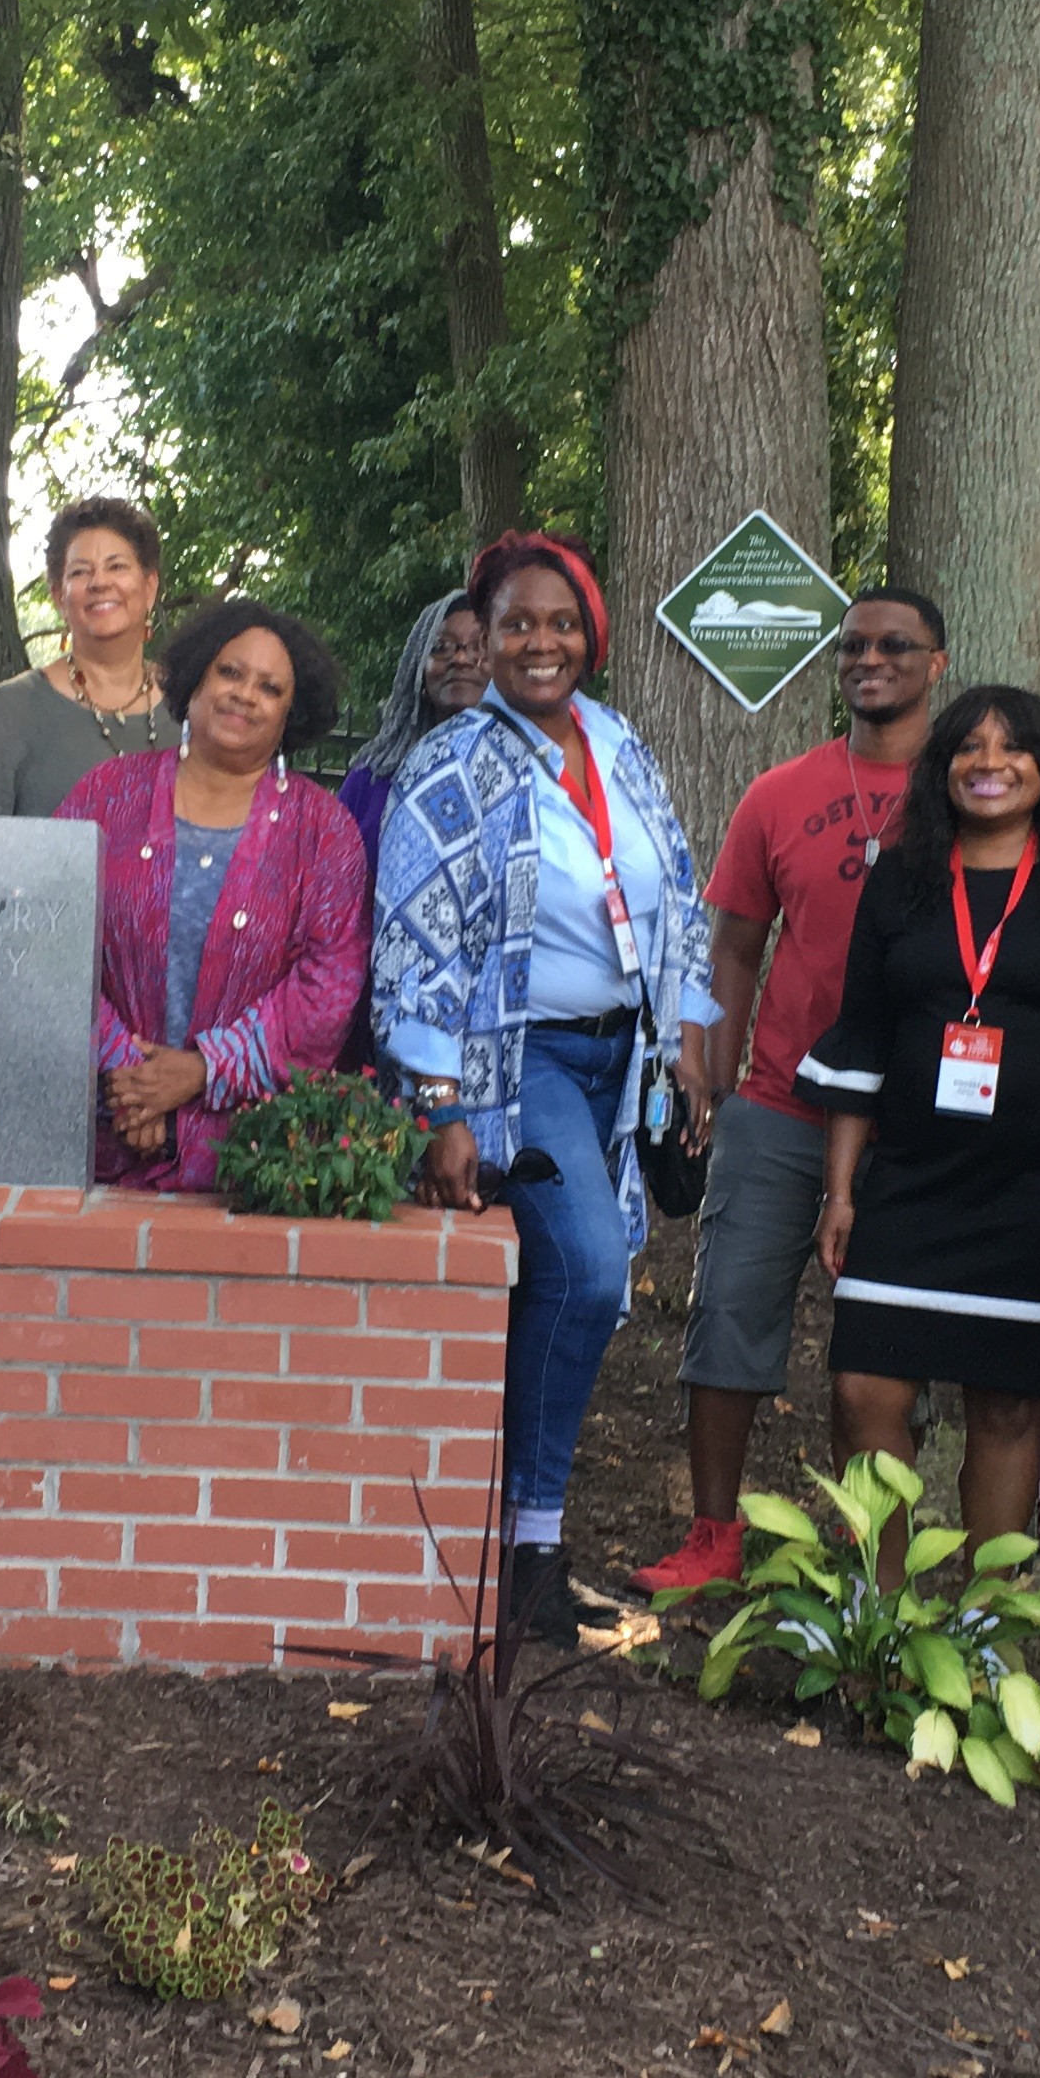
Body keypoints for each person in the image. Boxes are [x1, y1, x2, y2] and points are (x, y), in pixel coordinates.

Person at [371, 532, 718, 1641]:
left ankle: (518, 1537)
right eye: (515, 623)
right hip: (518, 1061)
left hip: (628, 1060)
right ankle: (529, 1547)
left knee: (568, 1282)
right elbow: (413, 941)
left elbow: (681, 892)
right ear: (483, 637)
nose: (539, 642)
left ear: (591, 635)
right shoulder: (454, 763)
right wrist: (439, 1106)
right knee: (590, 1268)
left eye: (560, 623)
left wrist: (693, 1033)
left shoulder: (618, 744)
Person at [801, 685, 1040, 1545]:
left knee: (1008, 1408)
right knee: (865, 1390)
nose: (990, 764)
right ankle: (876, 1622)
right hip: (912, 1183)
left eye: (1014, 748)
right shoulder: (899, 881)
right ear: (942, 769)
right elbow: (862, 1037)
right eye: (969, 747)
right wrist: (840, 1192)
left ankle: (984, 1636)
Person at [635, 588, 953, 1599]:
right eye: (853, 645)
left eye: (894, 646)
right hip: (781, 1098)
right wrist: (707, 1075)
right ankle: (715, 1535)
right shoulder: (779, 793)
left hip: (919, 1116)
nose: (870, 660)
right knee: (729, 1314)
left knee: (886, 1349)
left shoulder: (969, 792)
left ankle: (874, 1565)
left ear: (935, 664)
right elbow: (733, 944)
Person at [64, 601, 363, 1190]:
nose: (245, 695)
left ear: (290, 713)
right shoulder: (107, 794)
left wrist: (203, 1070)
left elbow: (327, 988)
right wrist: (128, 1074)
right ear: (197, 677)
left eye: (270, 687)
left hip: (246, 1160)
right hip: (92, 1140)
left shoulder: (324, 831)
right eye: (230, 673)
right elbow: (49, 937)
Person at [0, 495, 179, 818]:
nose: (100, 582)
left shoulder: (191, 706)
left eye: (117, 566)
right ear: (59, 596)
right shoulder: (9, 713)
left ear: (150, 587)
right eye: (80, 572)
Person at [336, 593, 493, 864]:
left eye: (479, 646)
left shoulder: (530, 773)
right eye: (441, 646)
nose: (460, 658)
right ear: (418, 669)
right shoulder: (371, 779)